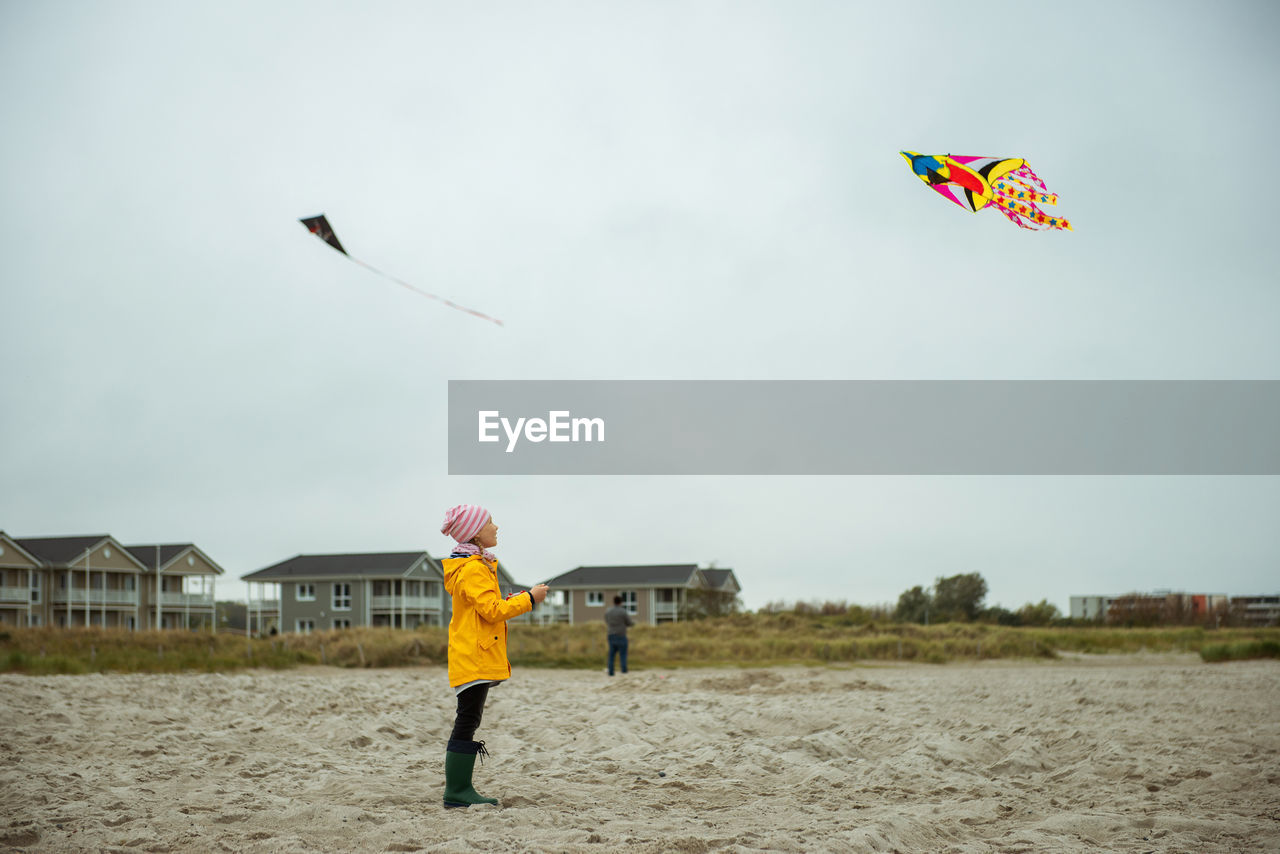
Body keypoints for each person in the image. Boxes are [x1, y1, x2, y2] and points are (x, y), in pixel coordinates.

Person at [439, 504, 549, 809]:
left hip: (474, 654)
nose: (496, 527)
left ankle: (459, 788)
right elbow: (492, 611)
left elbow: (489, 607)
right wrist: (529, 599)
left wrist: (514, 600)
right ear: (475, 533)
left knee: (469, 718)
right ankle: (457, 790)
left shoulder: (477, 564)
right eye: (490, 523)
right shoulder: (473, 568)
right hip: (473, 656)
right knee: (467, 719)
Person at [604, 594, 634, 676]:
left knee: (611, 654)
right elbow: (629, 623)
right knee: (623, 654)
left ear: (613, 601)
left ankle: (611, 671)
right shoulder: (623, 611)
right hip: (621, 635)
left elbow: (606, 620)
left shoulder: (608, 611)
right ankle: (623, 670)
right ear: (621, 602)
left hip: (611, 635)